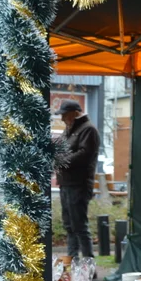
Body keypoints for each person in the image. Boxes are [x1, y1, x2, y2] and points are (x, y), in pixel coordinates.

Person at [55, 99, 100, 258]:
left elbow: (83, 155)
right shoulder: (71, 129)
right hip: (67, 183)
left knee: (79, 226)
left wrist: (59, 160)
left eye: (65, 115)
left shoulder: (88, 130)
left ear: (75, 113)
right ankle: (71, 262)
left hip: (78, 185)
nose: (62, 119)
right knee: (70, 226)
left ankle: (89, 266)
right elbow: (60, 148)